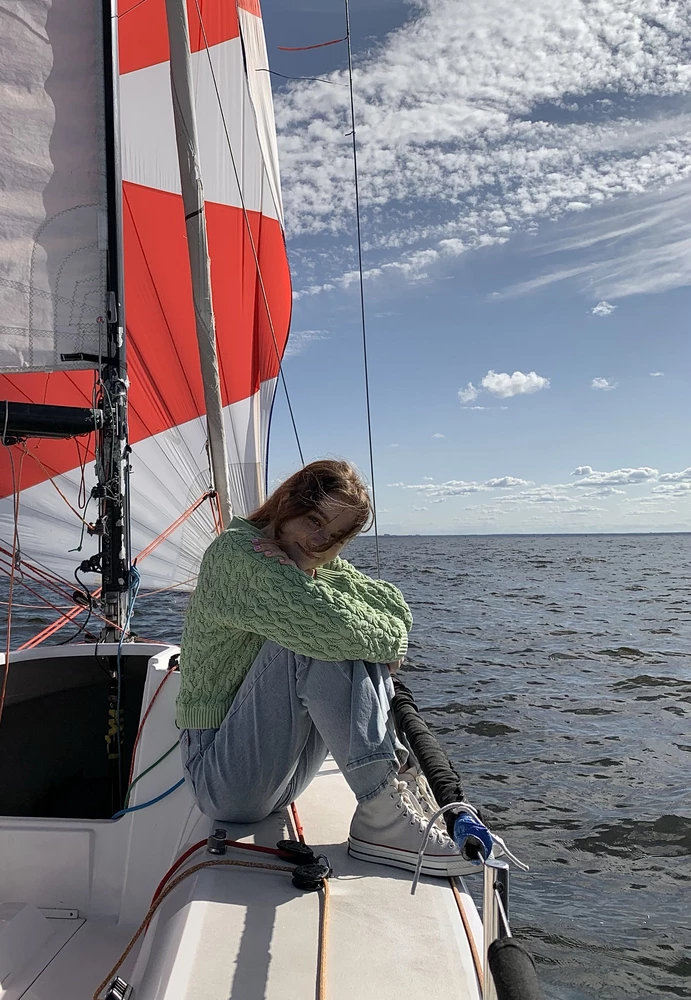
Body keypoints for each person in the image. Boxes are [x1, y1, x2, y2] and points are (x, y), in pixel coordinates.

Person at [176, 459, 473, 876]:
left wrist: (311, 580)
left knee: (335, 630)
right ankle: (381, 814)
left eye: (334, 536)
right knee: (320, 636)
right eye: (314, 520)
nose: (319, 542)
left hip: (279, 773)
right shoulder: (236, 554)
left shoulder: (309, 564)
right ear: (287, 502)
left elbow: (396, 608)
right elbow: (337, 626)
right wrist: (388, 642)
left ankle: (386, 793)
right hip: (222, 778)